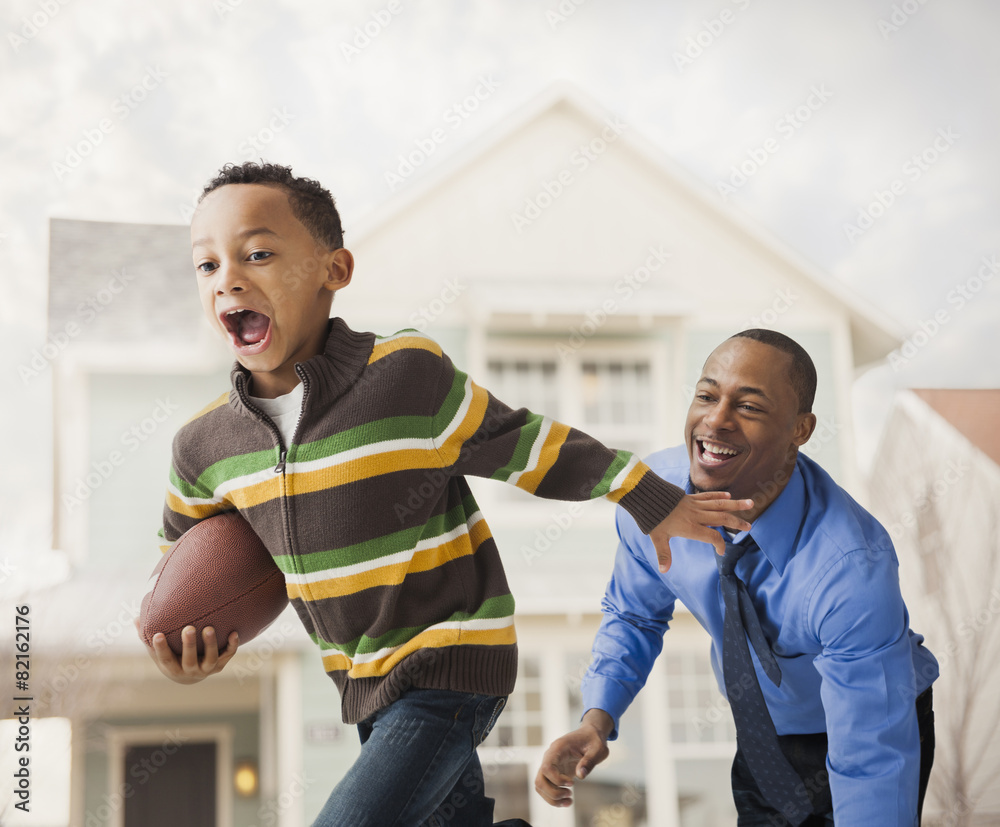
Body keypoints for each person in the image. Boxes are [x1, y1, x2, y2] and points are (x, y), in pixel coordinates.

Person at [139, 161, 754, 827]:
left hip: (452, 663)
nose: (228, 276)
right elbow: (183, 569)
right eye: (207, 265)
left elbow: (527, 444)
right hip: (361, 683)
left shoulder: (404, 377)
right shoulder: (203, 448)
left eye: (258, 252)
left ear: (333, 270)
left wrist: (648, 494)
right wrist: (179, 652)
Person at [535, 330, 938, 825]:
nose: (716, 419)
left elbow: (870, 757)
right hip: (761, 732)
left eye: (748, 407)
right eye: (706, 396)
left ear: (800, 429)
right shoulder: (651, 502)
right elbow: (634, 616)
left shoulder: (849, 567)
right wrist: (598, 718)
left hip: (868, 720)